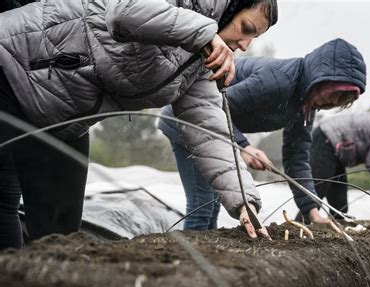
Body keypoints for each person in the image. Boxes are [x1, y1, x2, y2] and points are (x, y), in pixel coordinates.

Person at [0, 0, 278, 249]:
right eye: (246, 28)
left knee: (59, 234)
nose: (245, 44)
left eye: (254, 37)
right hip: (12, 67)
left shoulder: (201, 62)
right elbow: (123, 12)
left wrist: (244, 202)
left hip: (62, 115)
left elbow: (209, 128)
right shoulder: (184, 8)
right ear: (228, 8)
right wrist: (203, 33)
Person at [158, 38, 367, 230]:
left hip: (212, 131)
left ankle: (203, 262)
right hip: (187, 120)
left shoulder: (307, 104)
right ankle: (189, 267)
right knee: (202, 204)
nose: (331, 103)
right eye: (333, 94)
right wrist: (243, 147)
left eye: (339, 101)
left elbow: (297, 158)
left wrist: (312, 210)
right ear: (321, 79)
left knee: (212, 206)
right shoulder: (278, 81)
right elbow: (214, 107)